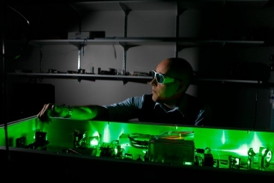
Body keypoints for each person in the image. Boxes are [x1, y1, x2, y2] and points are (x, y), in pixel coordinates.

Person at [37, 57, 210, 126]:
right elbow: (103, 112)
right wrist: (66, 111)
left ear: (180, 86)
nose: (152, 82)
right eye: (154, 75)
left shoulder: (200, 112)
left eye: (161, 78)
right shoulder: (142, 102)